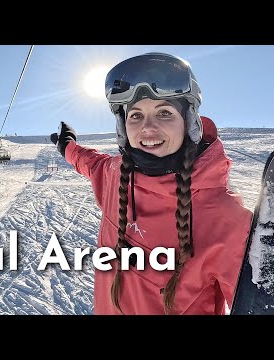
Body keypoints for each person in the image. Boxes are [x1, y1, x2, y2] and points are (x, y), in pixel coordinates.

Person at [50, 52, 253, 315]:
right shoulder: (115, 174)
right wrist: (67, 146)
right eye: (135, 116)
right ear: (123, 128)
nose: (148, 127)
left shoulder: (225, 218)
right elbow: (89, 162)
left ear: (189, 123)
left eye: (164, 112)